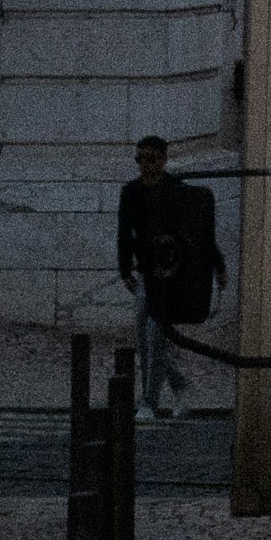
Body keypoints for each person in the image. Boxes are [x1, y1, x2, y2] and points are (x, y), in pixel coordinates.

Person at [116, 134, 224, 417]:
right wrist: (124, 268)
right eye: (140, 159)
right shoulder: (131, 191)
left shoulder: (177, 190)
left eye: (150, 159)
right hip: (145, 274)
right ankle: (180, 386)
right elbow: (124, 232)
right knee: (145, 340)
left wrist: (218, 266)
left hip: (170, 276)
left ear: (163, 160)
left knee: (155, 336)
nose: (144, 165)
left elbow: (199, 233)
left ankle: (148, 402)